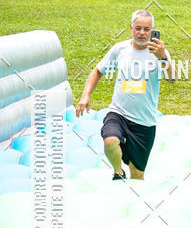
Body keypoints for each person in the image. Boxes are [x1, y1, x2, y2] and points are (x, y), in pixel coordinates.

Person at [75, 10, 176, 180]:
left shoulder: (159, 53)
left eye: (146, 29)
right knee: (110, 141)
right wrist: (85, 95)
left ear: (152, 30)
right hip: (118, 113)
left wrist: (163, 57)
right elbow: (98, 71)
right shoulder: (120, 49)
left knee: (137, 176)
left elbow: (172, 79)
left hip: (144, 122)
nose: (142, 33)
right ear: (131, 28)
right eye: (138, 28)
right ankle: (118, 172)